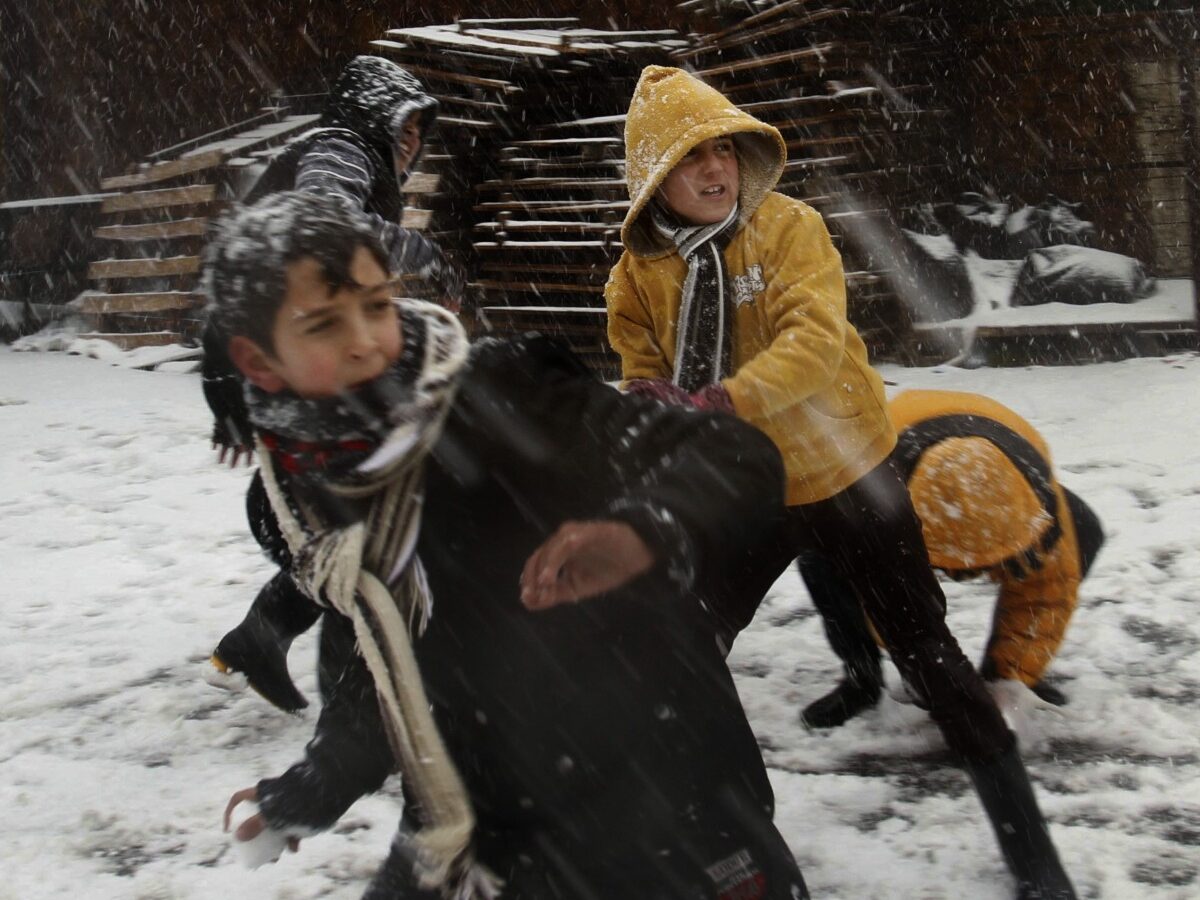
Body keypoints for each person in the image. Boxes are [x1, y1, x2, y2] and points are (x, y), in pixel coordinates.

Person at [203, 191, 808, 899]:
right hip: (484, 823)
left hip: (663, 795)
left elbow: (734, 456)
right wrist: (314, 787)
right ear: (259, 360)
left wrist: (642, 532)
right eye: (323, 323)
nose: (367, 340)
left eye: (376, 305)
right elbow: (377, 659)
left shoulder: (503, 394)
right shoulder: (306, 494)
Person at [604, 65, 1077, 900]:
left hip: (845, 470)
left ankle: (1032, 856)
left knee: (930, 660)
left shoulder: (790, 229)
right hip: (744, 490)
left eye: (723, 148)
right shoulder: (638, 276)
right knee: (683, 652)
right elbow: (644, 372)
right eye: (689, 158)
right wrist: (651, 412)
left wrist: (722, 399)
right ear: (653, 178)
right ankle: (731, 842)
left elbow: (814, 341)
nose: (715, 169)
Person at [205, 55, 466, 704]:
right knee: (366, 514)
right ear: (371, 114)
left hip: (296, 361)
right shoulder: (343, 146)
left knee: (360, 509)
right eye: (402, 126)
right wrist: (429, 258)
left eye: (418, 133)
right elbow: (328, 221)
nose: (409, 144)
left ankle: (266, 637)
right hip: (297, 362)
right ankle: (372, 692)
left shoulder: (340, 151)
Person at [798, 388, 1104, 716]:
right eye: (955, 566)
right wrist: (927, 669)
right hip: (887, 465)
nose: (967, 572)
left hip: (1001, 459)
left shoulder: (1040, 509)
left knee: (1083, 531)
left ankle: (1000, 673)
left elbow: (1046, 594)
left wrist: (1010, 678)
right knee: (822, 557)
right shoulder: (874, 504)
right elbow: (882, 601)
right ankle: (862, 680)